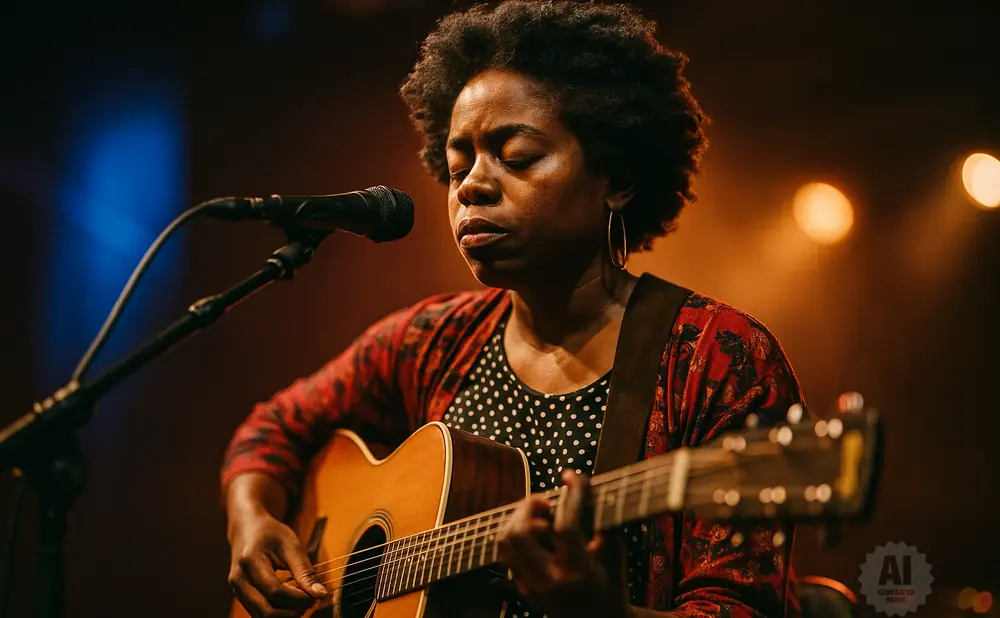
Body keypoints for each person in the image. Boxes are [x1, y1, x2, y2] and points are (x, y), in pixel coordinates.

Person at [221, 2, 805, 617]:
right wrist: (251, 520)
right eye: (457, 167)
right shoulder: (431, 339)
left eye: (518, 156)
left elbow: (742, 607)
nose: (471, 185)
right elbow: (271, 428)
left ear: (618, 179)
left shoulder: (717, 356)